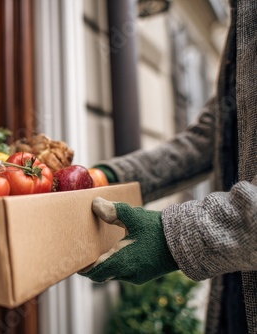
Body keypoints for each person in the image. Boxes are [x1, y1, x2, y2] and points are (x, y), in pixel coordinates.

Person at [79, 0, 257, 333]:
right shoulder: (244, 20)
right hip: (238, 296)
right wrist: (104, 177)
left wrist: (170, 238)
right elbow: (206, 139)